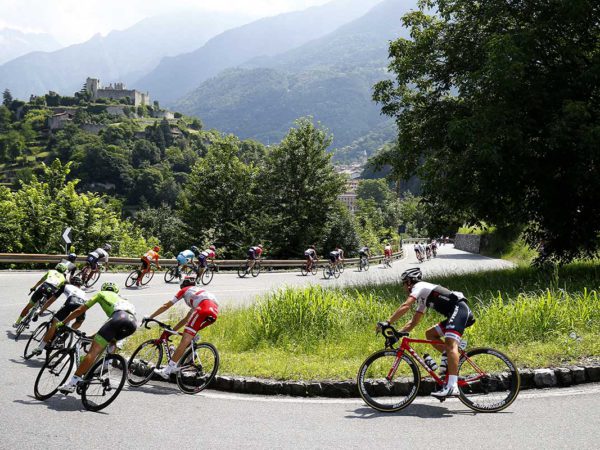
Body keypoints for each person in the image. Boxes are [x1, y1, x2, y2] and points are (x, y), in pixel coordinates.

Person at [379, 267, 475, 398]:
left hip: (460, 309)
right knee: (430, 334)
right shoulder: (424, 297)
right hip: (455, 313)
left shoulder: (419, 286)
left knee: (450, 343)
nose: (403, 287)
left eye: (404, 284)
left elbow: (406, 306)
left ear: (409, 282)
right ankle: (453, 355)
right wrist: (397, 335)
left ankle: (452, 387)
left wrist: (388, 322)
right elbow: (414, 322)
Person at [58, 282, 137, 394]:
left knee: (93, 351)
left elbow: (80, 310)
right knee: (112, 341)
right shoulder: (123, 299)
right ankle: (106, 364)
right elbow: (107, 329)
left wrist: (64, 322)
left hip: (118, 318)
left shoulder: (101, 294)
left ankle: (72, 383)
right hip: (132, 323)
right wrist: (91, 337)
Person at [144, 276, 219, 379]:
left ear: (183, 285)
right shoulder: (199, 294)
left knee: (184, 340)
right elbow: (186, 319)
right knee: (189, 335)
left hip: (202, 310)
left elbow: (166, 305)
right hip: (213, 313)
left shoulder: (185, 290)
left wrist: (150, 317)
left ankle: (168, 370)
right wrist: (172, 331)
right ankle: (190, 357)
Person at [30, 275, 88, 356]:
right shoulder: (84, 293)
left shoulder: (66, 286)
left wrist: (41, 310)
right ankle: (67, 332)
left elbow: (51, 300)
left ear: (71, 282)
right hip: (82, 306)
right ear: (80, 285)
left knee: (54, 324)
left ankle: (40, 348)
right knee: (79, 321)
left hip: (71, 302)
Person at [13, 263, 68, 328]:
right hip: (52, 290)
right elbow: (58, 288)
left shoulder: (51, 271)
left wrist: (34, 287)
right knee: (47, 302)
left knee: (29, 306)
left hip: (44, 287)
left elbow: (41, 280)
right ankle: (39, 310)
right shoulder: (63, 278)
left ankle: (17, 322)